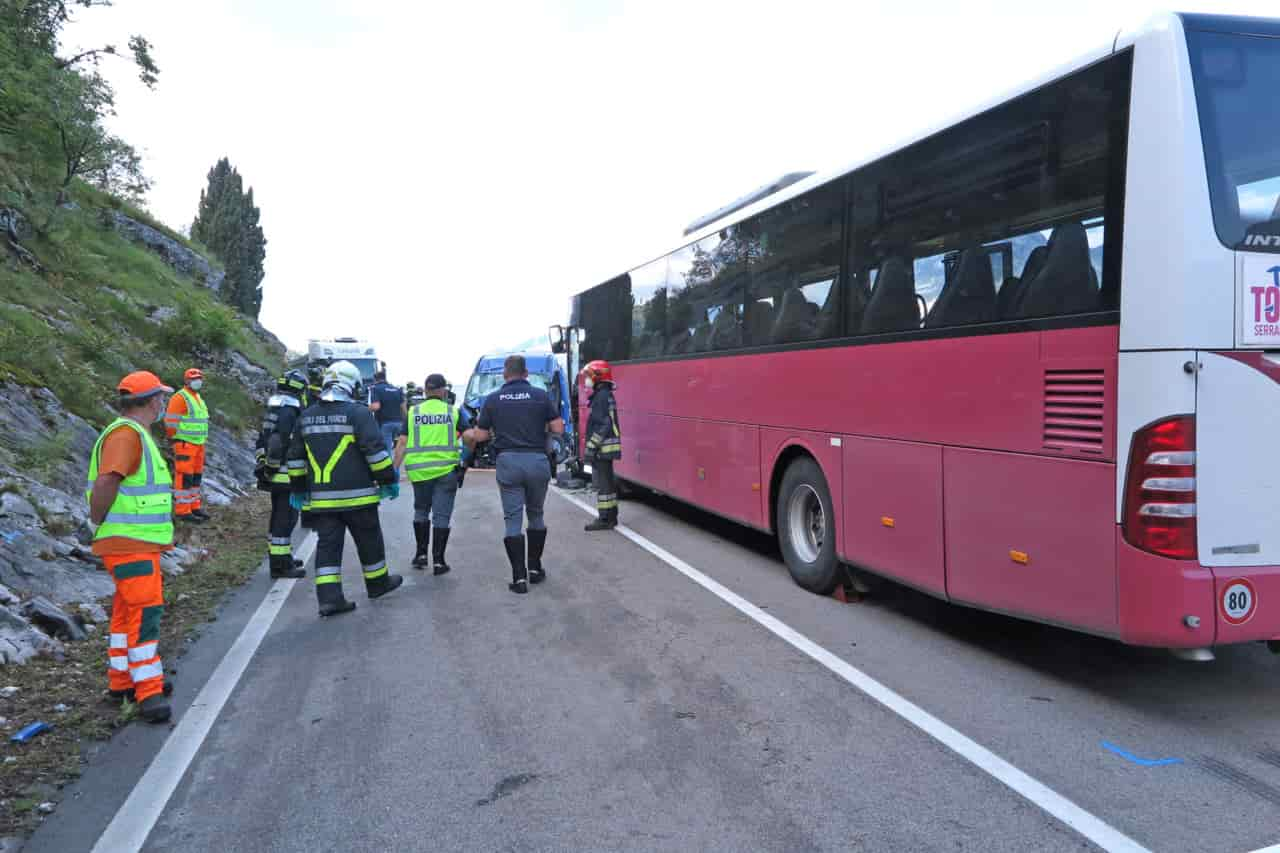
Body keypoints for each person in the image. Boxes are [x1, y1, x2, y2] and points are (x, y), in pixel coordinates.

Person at [85, 371, 176, 723]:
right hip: (130, 544)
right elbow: (109, 479)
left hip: (130, 543)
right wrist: (96, 520)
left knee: (126, 613)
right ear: (152, 400)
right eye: (161, 398)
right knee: (145, 614)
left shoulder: (129, 432)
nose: (163, 403)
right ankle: (148, 691)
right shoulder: (127, 435)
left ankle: (122, 681)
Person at [287, 360, 404, 617]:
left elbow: (295, 459)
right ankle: (377, 584)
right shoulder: (358, 413)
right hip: (358, 497)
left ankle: (329, 599)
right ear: (351, 384)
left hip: (322, 502)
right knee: (369, 540)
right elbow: (375, 452)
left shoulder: (305, 417)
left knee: (328, 546)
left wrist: (297, 489)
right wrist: (388, 480)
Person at [462, 355, 564, 594]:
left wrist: (470, 435)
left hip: (508, 462)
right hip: (537, 461)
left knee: (513, 520)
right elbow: (558, 427)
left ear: (505, 375)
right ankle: (535, 569)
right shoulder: (540, 396)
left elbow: (481, 436)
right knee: (536, 514)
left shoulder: (493, 399)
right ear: (526, 373)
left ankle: (519, 579)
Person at [393, 373, 462, 574]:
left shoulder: (413, 413)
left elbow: (403, 442)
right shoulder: (453, 411)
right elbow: (468, 435)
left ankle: (421, 554)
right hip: (446, 471)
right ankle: (439, 562)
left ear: (425, 390)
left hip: (419, 473)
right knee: (442, 516)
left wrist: (393, 470)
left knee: (421, 511)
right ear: (443, 391)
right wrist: (465, 458)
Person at [255, 370, 308, 579]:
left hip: (275, 475)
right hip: (285, 475)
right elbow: (278, 443)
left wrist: (265, 466)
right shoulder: (289, 411)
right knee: (285, 520)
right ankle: (280, 566)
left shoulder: (274, 408)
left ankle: (283, 558)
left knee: (280, 517)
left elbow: (263, 439)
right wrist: (272, 467)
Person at [164, 367, 210, 523]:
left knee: (196, 477)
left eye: (199, 378)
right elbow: (170, 423)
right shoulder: (180, 397)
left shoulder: (198, 398)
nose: (197, 381)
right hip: (185, 444)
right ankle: (183, 511)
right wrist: (174, 439)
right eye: (193, 378)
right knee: (184, 477)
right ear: (186, 381)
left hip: (198, 444)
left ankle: (194, 507)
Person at [581, 360, 623, 531]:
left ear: (598, 377)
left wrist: (591, 448)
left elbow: (602, 425)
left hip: (602, 449)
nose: (586, 380)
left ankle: (605, 519)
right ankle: (611, 516)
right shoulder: (605, 394)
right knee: (608, 484)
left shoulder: (600, 397)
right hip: (607, 448)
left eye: (589, 376)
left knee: (603, 486)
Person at [367, 367, 405, 457]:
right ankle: (396, 468)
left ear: (375, 379)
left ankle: (390, 470)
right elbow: (403, 407)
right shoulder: (396, 389)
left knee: (386, 451)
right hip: (399, 424)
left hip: (385, 424)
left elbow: (376, 406)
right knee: (400, 449)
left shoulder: (375, 388)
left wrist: (363, 409)